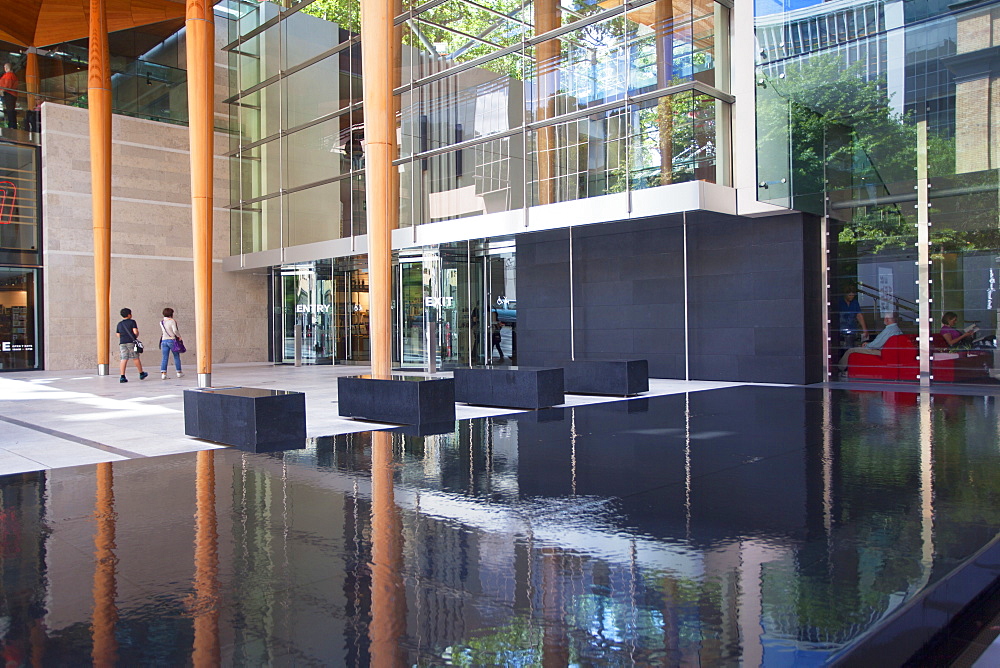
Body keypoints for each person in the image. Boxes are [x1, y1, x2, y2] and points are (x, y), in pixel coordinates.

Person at [838, 312, 903, 372]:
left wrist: (867, 345)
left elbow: (877, 344)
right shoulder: (897, 329)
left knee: (851, 350)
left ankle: (838, 369)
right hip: (889, 353)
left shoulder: (888, 330)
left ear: (887, 319)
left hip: (881, 352)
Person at [116, 308, 147, 382]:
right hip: (131, 342)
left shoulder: (119, 324)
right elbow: (135, 331)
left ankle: (122, 376)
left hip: (122, 343)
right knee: (135, 357)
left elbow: (118, 334)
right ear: (129, 315)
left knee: (124, 358)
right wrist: (135, 336)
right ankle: (141, 373)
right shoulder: (132, 322)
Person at [836, 284, 868, 353]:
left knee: (850, 347)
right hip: (841, 328)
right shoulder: (839, 302)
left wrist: (864, 329)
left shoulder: (855, 302)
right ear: (846, 294)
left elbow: (859, 315)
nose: (851, 297)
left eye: (853, 295)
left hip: (852, 328)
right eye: (850, 295)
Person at [158, 307, 184, 379]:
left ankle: (163, 373)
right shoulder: (172, 321)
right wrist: (179, 336)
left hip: (164, 340)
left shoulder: (161, 322)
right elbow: (175, 330)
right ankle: (179, 372)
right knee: (176, 356)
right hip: (172, 340)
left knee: (164, 357)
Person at [0, 62, 17, 130]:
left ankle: (12, 126)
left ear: (6, 68)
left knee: (10, 110)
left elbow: (7, 85)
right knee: (10, 110)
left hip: (9, 94)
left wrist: (2, 91)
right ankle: (12, 125)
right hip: (9, 94)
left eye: (5, 67)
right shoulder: (10, 75)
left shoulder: (9, 75)